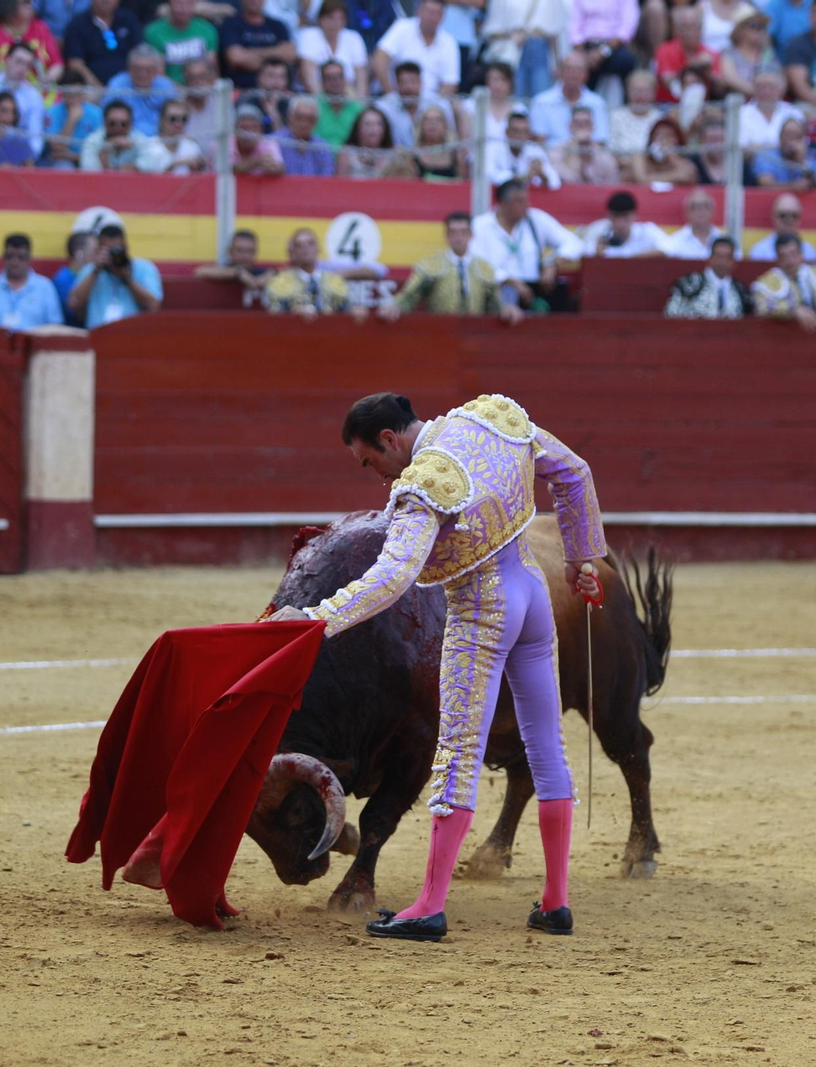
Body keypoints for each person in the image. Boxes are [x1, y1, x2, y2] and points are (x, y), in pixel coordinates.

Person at [266, 391, 605, 944]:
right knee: (546, 746)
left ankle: (429, 905)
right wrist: (579, 559)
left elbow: (392, 578)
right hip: (533, 594)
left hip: (482, 610)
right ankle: (555, 902)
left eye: (369, 462)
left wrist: (315, 619)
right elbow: (574, 472)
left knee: (457, 753)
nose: (375, 477)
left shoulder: (423, 484)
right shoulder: (491, 419)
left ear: (388, 440)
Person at [468, 178, 585, 312]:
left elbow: (576, 244)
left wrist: (553, 264)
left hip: (534, 292)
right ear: (503, 203)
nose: (527, 205)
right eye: (519, 201)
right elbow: (477, 263)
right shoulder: (480, 226)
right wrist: (512, 282)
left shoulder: (536, 219)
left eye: (526, 200)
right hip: (495, 292)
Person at [380, 213, 517, 321]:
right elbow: (410, 296)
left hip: (475, 333)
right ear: (447, 236)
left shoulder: (485, 268)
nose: (459, 238)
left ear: (471, 235)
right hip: (439, 331)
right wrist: (394, 306)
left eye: (463, 232)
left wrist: (507, 309)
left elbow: (495, 305)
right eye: (453, 233)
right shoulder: (431, 265)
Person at [67, 223, 163, 327]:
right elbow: (73, 304)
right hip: (97, 335)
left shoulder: (143, 268)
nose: (114, 256)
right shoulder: (91, 270)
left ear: (125, 247)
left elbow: (153, 305)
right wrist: (96, 272)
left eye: (117, 250)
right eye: (109, 251)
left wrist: (127, 279)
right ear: (99, 250)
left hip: (132, 336)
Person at [752, 233, 816, 331]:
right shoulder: (767, 282)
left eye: (793, 254)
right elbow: (762, 308)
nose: (790, 261)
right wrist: (793, 311)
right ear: (777, 258)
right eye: (783, 256)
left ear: (801, 254)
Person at [264, 229, 359, 319]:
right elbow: (275, 317)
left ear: (318, 249)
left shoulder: (335, 281)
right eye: (299, 245)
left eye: (310, 243)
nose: (305, 248)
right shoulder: (279, 282)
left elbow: (346, 311)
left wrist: (355, 311)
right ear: (293, 252)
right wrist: (294, 314)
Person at [372, 0, 459, 96]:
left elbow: (451, 83)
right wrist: (390, 93)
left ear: (443, 17)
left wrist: (433, 103)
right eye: (429, 12)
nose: (431, 18)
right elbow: (379, 58)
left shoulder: (449, 42)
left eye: (436, 14)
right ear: (419, 11)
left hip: (431, 103)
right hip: (396, 97)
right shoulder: (402, 27)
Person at [0, 233, 65, 330]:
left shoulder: (45, 287)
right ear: (3, 257)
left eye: (21, 257)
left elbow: (55, 326)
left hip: (35, 344)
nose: (15, 262)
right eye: (10, 256)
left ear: (29, 259)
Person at [0, 43, 47, 155]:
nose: (22, 68)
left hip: (20, 157)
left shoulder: (34, 96)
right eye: (19, 61)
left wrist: (25, 159)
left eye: (27, 64)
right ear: (7, 60)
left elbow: (36, 138)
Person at [531, 52, 610, 147]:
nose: (574, 73)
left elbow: (600, 142)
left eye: (579, 69)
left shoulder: (597, 103)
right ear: (560, 71)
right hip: (552, 158)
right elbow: (539, 141)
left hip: (588, 157)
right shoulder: (541, 102)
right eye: (569, 69)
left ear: (587, 74)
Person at [376, 61, 456, 148]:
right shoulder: (384, 107)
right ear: (396, 85)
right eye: (404, 82)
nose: (409, 87)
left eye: (413, 82)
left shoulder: (438, 103)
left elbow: (450, 135)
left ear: (421, 83)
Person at [64, 0, 143, 88]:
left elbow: (139, 54)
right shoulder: (77, 24)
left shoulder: (129, 20)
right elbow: (75, 63)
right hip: (91, 87)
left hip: (128, 86)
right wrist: (99, 88)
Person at [218, 0, 293, 91]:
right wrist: (276, 54)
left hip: (277, 91)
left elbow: (290, 54)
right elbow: (236, 58)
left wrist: (250, 53)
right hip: (241, 91)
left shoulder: (277, 26)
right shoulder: (230, 25)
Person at [104, 44, 178, 136]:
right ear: (129, 68)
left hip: (161, 139)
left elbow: (177, 115)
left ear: (156, 70)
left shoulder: (165, 86)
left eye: (148, 69)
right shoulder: (117, 85)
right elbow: (107, 118)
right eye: (137, 69)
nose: (143, 74)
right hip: (127, 139)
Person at [665, 236, 748, 318]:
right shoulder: (690, 283)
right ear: (710, 258)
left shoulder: (741, 290)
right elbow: (672, 313)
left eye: (727, 257)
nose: (722, 262)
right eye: (718, 256)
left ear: (733, 261)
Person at [298, 0, 369, 96]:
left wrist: (360, 103)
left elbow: (361, 76)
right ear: (321, 19)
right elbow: (307, 73)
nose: (336, 23)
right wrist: (323, 103)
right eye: (331, 18)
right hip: (318, 96)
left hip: (349, 96)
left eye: (340, 18)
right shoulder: (309, 35)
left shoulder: (353, 38)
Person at [655, 5, 723, 104]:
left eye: (694, 26)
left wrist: (709, 74)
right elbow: (668, 83)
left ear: (701, 29)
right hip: (670, 106)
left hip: (702, 108)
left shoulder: (711, 54)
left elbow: (720, 90)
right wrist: (692, 65)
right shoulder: (664, 50)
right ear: (677, 30)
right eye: (685, 27)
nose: (690, 32)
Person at [0, 0, 64, 81]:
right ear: (8, 4)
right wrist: (16, 72)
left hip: (40, 89)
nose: (32, 6)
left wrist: (47, 79)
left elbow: (57, 65)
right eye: (26, 2)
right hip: (5, 88)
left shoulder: (40, 27)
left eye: (32, 2)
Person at [571, 0, 638, 95]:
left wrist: (602, 52)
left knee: (627, 60)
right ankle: (580, 105)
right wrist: (582, 54)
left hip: (613, 46)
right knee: (575, 65)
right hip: (586, 46)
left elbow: (626, 28)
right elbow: (574, 25)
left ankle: (627, 104)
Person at [80, 100, 168, 171]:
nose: (118, 128)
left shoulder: (138, 139)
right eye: (112, 123)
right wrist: (105, 150)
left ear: (131, 124)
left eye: (124, 124)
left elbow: (152, 165)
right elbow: (88, 170)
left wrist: (119, 169)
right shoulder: (92, 140)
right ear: (104, 123)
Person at [144, 0, 218, 83]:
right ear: (169, 5)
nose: (183, 9)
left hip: (201, 88)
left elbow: (212, 69)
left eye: (188, 4)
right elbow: (158, 73)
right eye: (178, 4)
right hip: (169, 90)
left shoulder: (207, 30)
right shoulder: (153, 32)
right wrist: (180, 92)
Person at [484, 110, 561, 189]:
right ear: (507, 132)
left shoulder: (535, 149)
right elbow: (489, 175)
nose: (520, 136)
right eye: (515, 131)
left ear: (529, 134)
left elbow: (555, 181)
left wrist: (542, 174)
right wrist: (523, 177)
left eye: (525, 131)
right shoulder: (493, 147)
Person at [42, 72, 104, 168]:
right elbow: (57, 149)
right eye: (70, 95)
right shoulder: (52, 112)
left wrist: (73, 156)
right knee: (63, 167)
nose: (74, 99)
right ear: (63, 95)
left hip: (88, 160)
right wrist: (71, 120)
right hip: (62, 162)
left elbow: (100, 151)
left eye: (78, 94)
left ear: (84, 93)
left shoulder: (96, 113)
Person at [582, 191, 668, 259]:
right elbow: (585, 254)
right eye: (615, 216)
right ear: (608, 216)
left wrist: (631, 261)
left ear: (634, 216)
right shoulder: (598, 231)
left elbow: (669, 248)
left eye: (625, 216)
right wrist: (597, 254)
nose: (620, 222)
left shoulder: (647, 231)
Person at [739, 67, 805, 153]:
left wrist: (758, 147)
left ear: (781, 88)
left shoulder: (793, 112)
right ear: (753, 87)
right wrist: (780, 147)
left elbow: (798, 147)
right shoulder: (741, 113)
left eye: (771, 86)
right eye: (760, 86)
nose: (765, 91)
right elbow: (742, 149)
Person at [195, 229, 275, 300]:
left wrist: (270, 277)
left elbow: (279, 273)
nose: (245, 256)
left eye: (250, 251)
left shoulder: (261, 273)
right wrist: (238, 273)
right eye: (240, 250)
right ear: (230, 251)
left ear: (255, 253)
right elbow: (199, 272)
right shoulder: (224, 271)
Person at [551, 107, 621, 184]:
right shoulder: (556, 151)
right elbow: (570, 180)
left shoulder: (604, 154)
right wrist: (575, 145)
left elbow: (612, 184)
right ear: (570, 126)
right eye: (577, 123)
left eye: (586, 123)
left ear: (593, 126)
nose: (582, 127)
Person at [621, 116, 699, 185]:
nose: (663, 140)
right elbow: (642, 180)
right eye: (658, 135)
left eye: (669, 136)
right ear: (651, 139)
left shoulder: (684, 161)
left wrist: (671, 155)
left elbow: (688, 176)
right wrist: (675, 176)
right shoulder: (639, 157)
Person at [753, 116, 816, 188]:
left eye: (796, 136)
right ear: (780, 136)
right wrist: (792, 186)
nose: (791, 139)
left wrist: (802, 162)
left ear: (802, 139)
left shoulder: (811, 161)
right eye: (787, 135)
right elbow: (765, 184)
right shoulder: (767, 157)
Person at [338, 106, 413, 178]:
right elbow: (340, 185)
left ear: (385, 128)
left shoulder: (395, 155)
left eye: (378, 124)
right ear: (357, 129)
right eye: (367, 124)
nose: (373, 129)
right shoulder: (347, 154)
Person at [275, 96, 337, 176]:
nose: (304, 123)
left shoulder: (323, 147)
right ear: (289, 117)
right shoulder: (275, 142)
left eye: (310, 119)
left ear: (316, 122)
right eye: (299, 117)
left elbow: (327, 179)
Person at [723, 10, 778, 98]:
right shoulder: (729, 54)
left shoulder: (768, 53)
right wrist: (761, 93)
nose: (759, 30)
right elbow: (730, 78)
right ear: (740, 30)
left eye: (762, 27)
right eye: (754, 26)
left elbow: (780, 79)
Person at [748, 193, 816, 261]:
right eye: (783, 215)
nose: (788, 220)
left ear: (800, 218)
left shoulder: (809, 251)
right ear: (774, 217)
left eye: (794, 216)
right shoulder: (760, 251)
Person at [660, 188, 727, 259]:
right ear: (686, 213)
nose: (701, 210)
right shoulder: (676, 241)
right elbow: (657, 253)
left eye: (705, 206)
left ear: (713, 211)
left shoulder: (723, 239)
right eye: (695, 207)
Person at [611, 70, 664, 158]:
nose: (641, 96)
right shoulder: (616, 116)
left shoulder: (660, 118)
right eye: (636, 91)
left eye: (646, 92)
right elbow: (611, 150)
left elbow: (661, 152)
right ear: (627, 92)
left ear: (654, 93)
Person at [0, 91, 37, 167]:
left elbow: (30, 171)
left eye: (13, 112)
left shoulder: (21, 142)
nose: (9, 117)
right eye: (4, 111)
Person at [411, 105, 465, 180]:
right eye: (428, 120)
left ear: (445, 126)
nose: (433, 124)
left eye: (438, 120)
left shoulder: (456, 155)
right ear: (421, 126)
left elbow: (464, 183)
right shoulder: (413, 156)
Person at [55, 231, 96, 327]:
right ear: (79, 254)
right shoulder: (63, 280)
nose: (98, 257)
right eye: (94, 251)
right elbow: (74, 312)